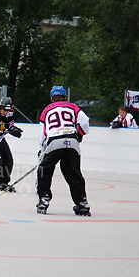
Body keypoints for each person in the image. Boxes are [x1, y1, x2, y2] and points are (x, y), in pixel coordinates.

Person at [36, 85, 91, 216]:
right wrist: (79, 134)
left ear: (51, 98)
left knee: (45, 169)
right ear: (65, 97)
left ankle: (44, 199)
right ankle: (82, 203)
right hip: (72, 141)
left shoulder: (46, 110)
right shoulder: (73, 107)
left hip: (55, 140)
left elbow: (43, 134)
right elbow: (85, 122)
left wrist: (42, 149)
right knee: (73, 172)